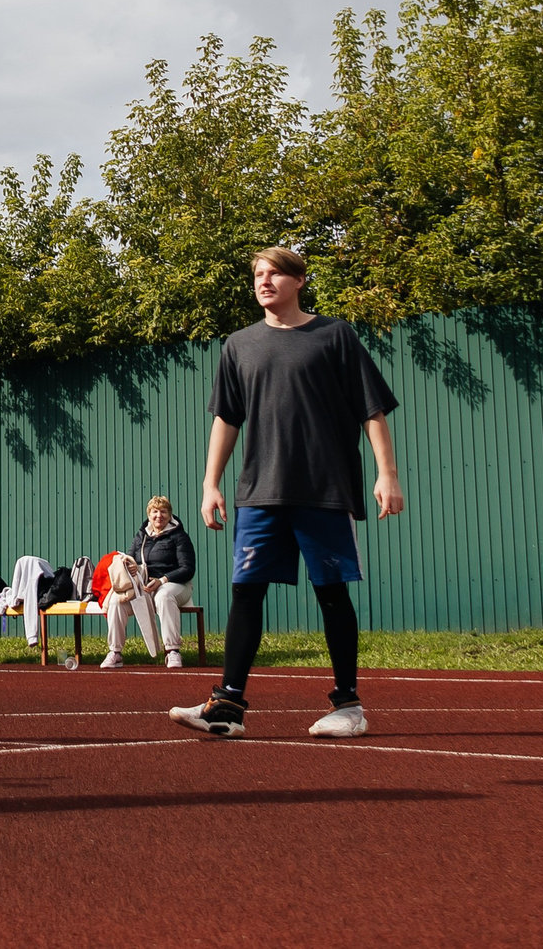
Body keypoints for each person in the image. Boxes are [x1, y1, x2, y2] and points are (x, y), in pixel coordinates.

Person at [171, 246, 402, 741]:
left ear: (299, 281)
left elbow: (372, 410)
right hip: (259, 491)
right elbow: (227, 419)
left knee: (331, 593)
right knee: (245, 591)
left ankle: (349, 706)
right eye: (258, 273)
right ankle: (228, 705)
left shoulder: (334, 335)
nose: (264, 281)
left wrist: (388, 474)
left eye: (275, 273)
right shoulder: (239, 344)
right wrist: (210, 483)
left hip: (324, 488)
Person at [100, 496, 196, 669]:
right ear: (149, 514)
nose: (159, 515)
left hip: (175, 585)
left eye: (163, 512)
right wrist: (131, 567)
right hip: (144, 587)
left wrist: (162, 580)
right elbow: (128, 559)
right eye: (155, 512)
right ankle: (115, 652)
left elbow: (187, 569)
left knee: (163, 596)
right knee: (116, 601)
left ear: (170, 515)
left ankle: (172, 651)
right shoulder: (141, 537)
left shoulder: (180, 536)